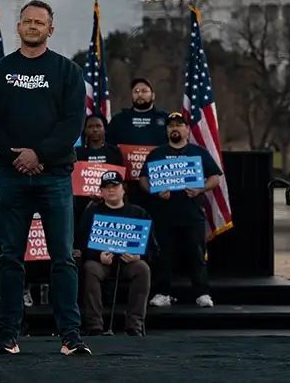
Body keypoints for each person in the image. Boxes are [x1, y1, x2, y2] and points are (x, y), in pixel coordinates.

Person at [0, 0, 90, 356]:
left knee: (63, 259)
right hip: (12, 177)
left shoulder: (68, 71)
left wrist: (39, 155)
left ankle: (70, 336)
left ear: (50, 30)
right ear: (18, 27)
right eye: (26, 21)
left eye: (39, 22)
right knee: (10, 258)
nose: (32, 26)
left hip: (54, 177)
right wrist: (19, 157)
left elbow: (73, 123)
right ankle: (8, 336)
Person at [139, 112, 223, 308]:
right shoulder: (157, 154)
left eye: (179, 125)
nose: (175, 129)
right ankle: (162, 293)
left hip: (192, 214)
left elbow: (216, 177)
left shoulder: (198, 152)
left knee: (196, 256)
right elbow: (143, 178)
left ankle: (202, 293)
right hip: (164, 214)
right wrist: (154, 191)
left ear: (187, 129)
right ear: (167, 130)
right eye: (171, 126)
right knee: (163, 256)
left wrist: (200, 189)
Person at [75, 171, 154, 336]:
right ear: (101, 192)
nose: (111, 190)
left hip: (128, 262)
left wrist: (139, 256)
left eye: (114, 186)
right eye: (106, 187)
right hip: (101, 262)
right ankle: (94, 325)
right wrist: (98, 256)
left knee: (142, 269)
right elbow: (81, 243)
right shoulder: (92, 214)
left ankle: (135, 325)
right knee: (90, 269)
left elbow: (152, 246)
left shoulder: (139, 213)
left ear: (123, 189)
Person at [104, 78, 167, 203]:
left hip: (157, 182)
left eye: (144, 91)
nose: (140, 94)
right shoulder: (119, 120)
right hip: (126, 185)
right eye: (136, 91)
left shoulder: (165, 119)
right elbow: (108, 148)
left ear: (153, 95)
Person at [74, 114, 125, 222]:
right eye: (90, 126)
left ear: (104, 129)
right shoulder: (77, 153)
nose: (95, 130)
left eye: (98, 126)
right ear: (84, 129)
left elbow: (121, 178)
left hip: (110, 202)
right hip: (81, 204)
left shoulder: (114, 152)